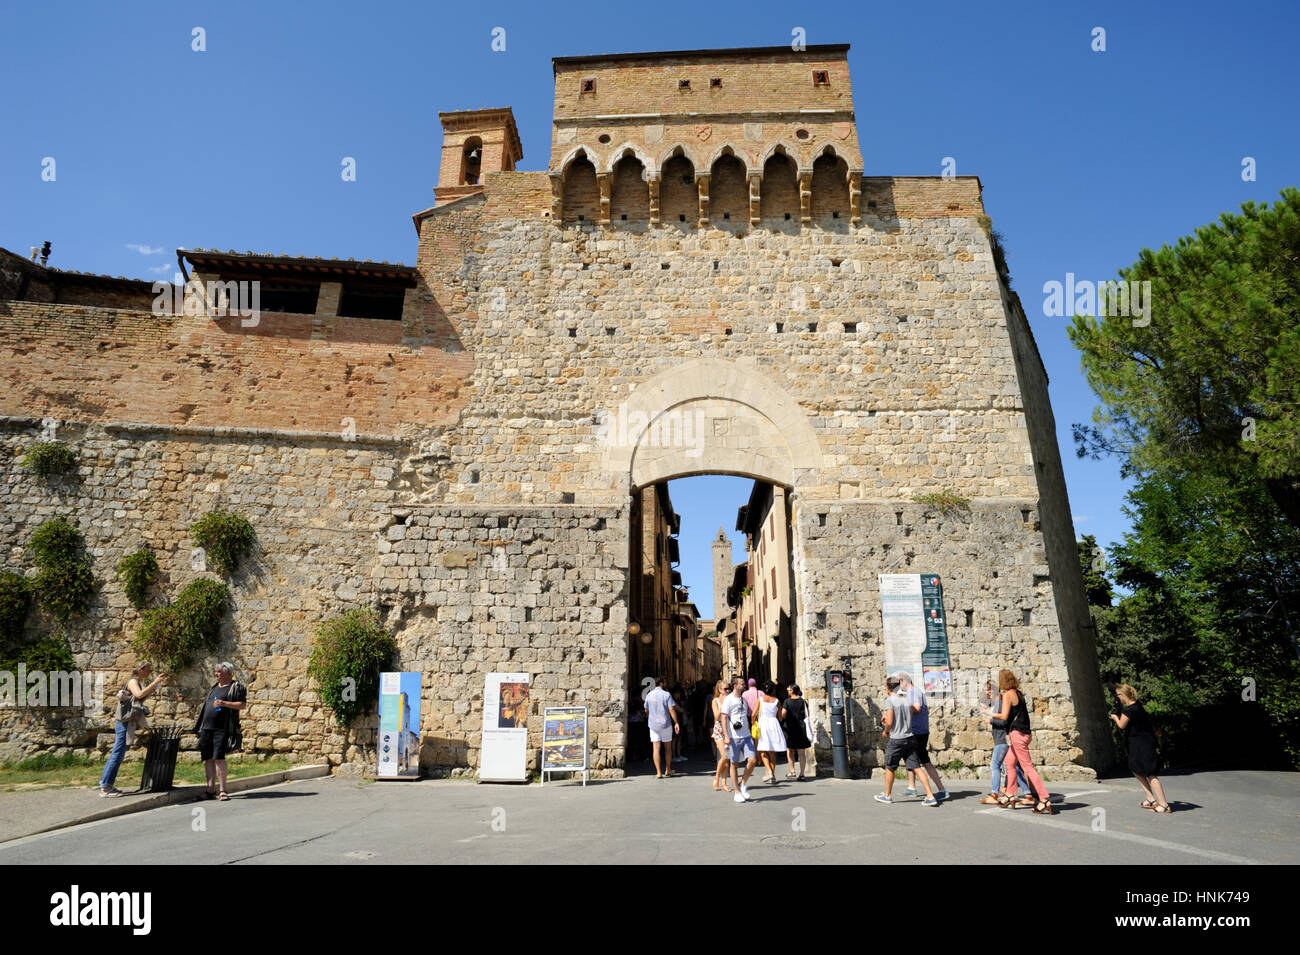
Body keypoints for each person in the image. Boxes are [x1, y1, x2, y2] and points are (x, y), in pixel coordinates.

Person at [988, 669, 1052, 814]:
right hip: (1024, 734)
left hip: (1018, 735)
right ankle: (1010, 793)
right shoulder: (1018, 693)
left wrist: (989, 714)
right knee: (1009, 762)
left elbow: (1004, 716)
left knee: (1028, 768)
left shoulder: (1009, 695)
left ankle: (1044, 798)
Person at [99, 663, 163, 797]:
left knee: (119, 754)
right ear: (140, 670)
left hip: (127, 723)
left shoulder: (137, 682)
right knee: (117, 754)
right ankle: (105, 787)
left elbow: (139, 699)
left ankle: (108, 785)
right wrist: (154, 683)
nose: (149, 672)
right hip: (123, 723)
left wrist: (152, 688)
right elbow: (139, 695)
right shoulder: (133, 681)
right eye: (148, 670)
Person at [875, 675, 938, 806]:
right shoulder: (905, 699)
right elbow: (905, 716)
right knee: (917, 767)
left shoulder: (890, 700)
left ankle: (887, 796)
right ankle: (930, 796)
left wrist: (886, 730)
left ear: (887, 688)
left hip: (897, 739)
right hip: (910, 737)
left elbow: (891, 721)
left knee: (890, 767)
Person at [1111, 684, 1172, 813]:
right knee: (1135, 769)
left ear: (1124, 695)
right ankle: (1150, 798)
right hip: (1139, 744)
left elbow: (1121, 725)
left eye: (1119, 695)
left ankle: (1164, 804)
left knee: (1150, 773)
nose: (1118, 698)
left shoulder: (1129, 710)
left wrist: (1115, 717)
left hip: (1141, 745)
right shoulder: (1137, 706)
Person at [193, 662, 247, 801]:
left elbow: (242, 705)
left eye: (218, 672)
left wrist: (224, 703)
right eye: (216, 671)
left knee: (219, 758)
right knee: (208, 759)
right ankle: (210, 790)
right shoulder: (214, 687)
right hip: (206, 728)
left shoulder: (236, 688)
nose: (216, 674)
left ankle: (223, 790)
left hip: (221, 729)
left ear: (227, 673)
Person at [979, 678, 1031, 806]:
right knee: (1014, 767)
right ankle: (1028, 794)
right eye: (987, 691)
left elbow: (1003, 721)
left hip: (1002, 741)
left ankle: (994, 794)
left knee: (994, 765)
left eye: (989, 691)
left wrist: (989, 719)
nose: (988, 693)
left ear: (994, 691)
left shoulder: (1000, 703)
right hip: (1002, 740)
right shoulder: (998, 703)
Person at [897, 672, 948, 800]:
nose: (899, 685)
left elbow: (917, 708)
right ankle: (912, 787)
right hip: (919, 730)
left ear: (904, 681)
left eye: (899, 682)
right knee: (911, 757)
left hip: (917, 732)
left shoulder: (914, 692)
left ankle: (941, 790)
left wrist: (904, 713)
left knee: (922, 760)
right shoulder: (915, 692)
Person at [720, 677, 757, 802]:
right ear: (735, 686)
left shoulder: (743, 699)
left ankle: (743, 783)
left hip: (746, 735)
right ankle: (736, 792)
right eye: (742, 683)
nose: (744, 685)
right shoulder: (728, 700)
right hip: (733, 737)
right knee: (734, 764)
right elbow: (724, 718)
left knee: (752, 760)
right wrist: (726, 736)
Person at [644, 677, 680, 778]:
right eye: (665, 682)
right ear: (661, 684)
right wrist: (676, 722)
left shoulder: (649, 695)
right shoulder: (666, 694)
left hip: (653, 725)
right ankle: (668, 769)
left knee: (656, 748)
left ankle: (658, 772)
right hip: (666, 724)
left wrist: (650, 717)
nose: (666, 684)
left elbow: (646, 710)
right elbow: (672, 709)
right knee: (667, 748)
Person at [754, 681, 788, 784]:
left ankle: (769, 771)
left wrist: (753, 723)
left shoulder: (760, 700)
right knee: (772, 751)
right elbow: (780, 717)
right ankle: (771, 774)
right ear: (773, 690)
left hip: (763, 723)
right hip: (774, 724)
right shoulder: (777, 701)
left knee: (763, 750)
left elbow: (753, 714)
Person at [781, 683, 811, 780]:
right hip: (801, 728)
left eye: (788, 689)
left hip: (790, 728)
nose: (787, 690)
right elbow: (807, 713)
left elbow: (783, 714)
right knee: (801, 752)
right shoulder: (803, 701)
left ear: (792, 690)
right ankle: (802, 774)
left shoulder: (787, 701)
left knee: (790, 750)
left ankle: (792, 771)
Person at [710, 680, 733, 792]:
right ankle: (717, 777)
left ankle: (724, 783)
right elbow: (716, 716)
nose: (728, 691)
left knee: (727, 758)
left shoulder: (731, 700)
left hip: (729, 730)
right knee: (724, 756)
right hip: (719, 729)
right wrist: (723, 703)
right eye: (725, 689)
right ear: (719, 690)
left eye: (728, 688)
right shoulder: (715, 701)